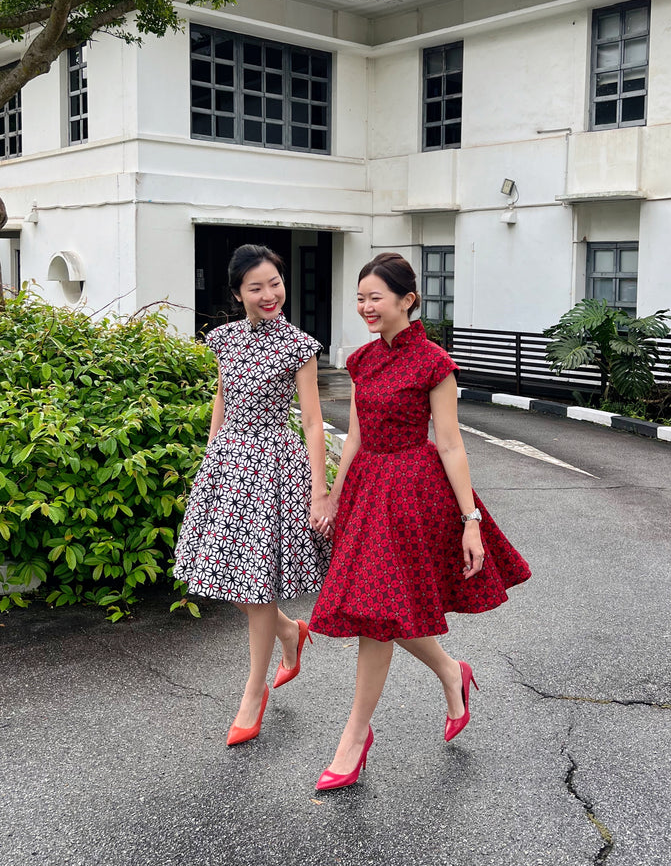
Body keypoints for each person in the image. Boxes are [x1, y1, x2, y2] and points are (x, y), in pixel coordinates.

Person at [309, 252, 531, 790]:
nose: (365, 307)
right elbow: (356, 435)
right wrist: (334, 495)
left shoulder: (434, 362)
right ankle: (453, 672)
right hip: (366, 489)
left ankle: (355, 737)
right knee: (384, 607)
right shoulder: (360, 360)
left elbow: (452, 444)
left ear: (407, 300)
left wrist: (470, 520)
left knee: (381, 609)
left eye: (375, 298)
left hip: (412, 493)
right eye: (360, 298)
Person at [173, 244, 333, 746]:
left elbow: (310, 419)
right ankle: (289, 632)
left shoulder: (298, 346)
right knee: (217, 573)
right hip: (228, 463)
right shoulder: (224, 339)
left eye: (275, 283)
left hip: (273, 468)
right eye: (256, 287)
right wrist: (211, 452)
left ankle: (253, 691)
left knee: (255, 585)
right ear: (238, 293)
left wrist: (318, 487)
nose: (269, 294)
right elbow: (223, 394)